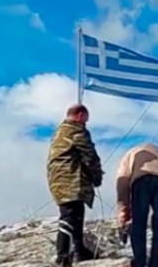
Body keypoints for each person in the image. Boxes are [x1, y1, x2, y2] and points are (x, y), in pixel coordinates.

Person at [46, 104, 104, 266]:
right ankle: (63, 255)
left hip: (57, 179)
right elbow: (89, 155)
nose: (86, 123)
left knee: (76, 212)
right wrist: (96, 176)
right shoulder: (76, 130)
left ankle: (79, 250)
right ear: (79, 115)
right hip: (71, 179)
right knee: (70, 215)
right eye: (85, 119)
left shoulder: (58, 132)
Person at [115, 143, 158, 267]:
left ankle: (139, 261)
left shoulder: (129, 155)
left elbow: (122, 182)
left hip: (142, 181)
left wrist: (124, 208)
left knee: (139, 223)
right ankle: (156, 263)